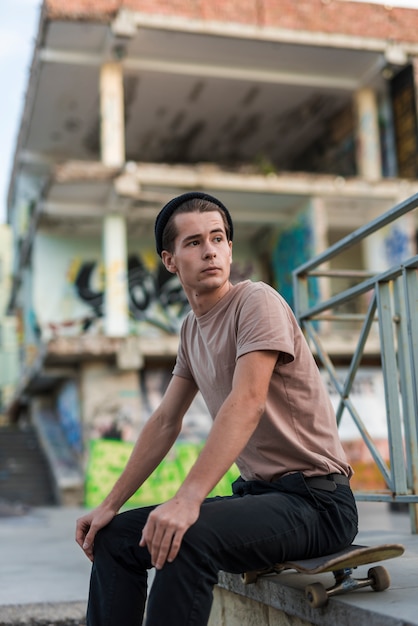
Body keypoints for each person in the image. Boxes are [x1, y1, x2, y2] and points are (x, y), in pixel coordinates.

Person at [76, 191, 358, 626]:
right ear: (169, 261)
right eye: (193, 243)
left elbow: (246, 402)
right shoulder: (191, 329)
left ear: (229, 247)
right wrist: (110, 504)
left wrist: (189, 499)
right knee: (115, 539)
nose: (210, 250)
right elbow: (166, 421)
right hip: (263, 499)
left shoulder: (255, 301)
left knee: (184, 535)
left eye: (218, 238)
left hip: (317, 503)